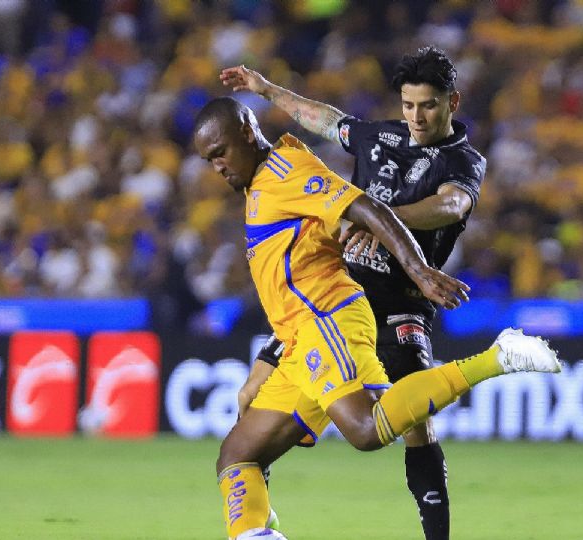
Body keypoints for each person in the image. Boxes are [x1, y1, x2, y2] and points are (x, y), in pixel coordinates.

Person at [196, 96, 561, 539]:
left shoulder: (284, 172)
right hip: (298, 337)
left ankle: (498, 357)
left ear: (247, 135)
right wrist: (270, 355)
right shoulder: (262, 181)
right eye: (208, 159)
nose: (216, 166)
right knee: (237, 455)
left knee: (367, 431)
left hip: (328, 320)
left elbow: (368, 208)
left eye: (220, 153)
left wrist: (421, 271)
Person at [221, 46, 483, 539]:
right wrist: (268, 90)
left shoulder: (464, 161)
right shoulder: (380, 137)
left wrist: (378, 220)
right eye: (407, 105)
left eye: (427, 105)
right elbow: (327, 120)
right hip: (332, 299)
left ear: (453, 102)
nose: (415, 117)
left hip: (404, 300)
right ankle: (259, 521)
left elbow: (450, 205)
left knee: (415, 425)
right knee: (250, 395)